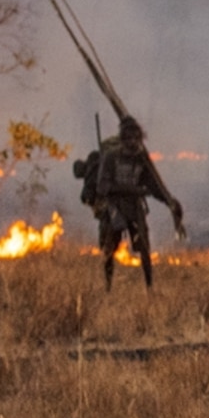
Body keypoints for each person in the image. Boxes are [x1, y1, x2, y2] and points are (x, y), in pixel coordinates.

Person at [74, 116, 185, 289]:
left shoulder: (141, 159)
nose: (133, 142)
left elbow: (154, 186)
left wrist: (169, 201)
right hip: (113, 206)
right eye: (130, 138)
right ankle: (107, 287)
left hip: (134, 206)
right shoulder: (111, 158)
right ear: (123, 140)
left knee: (144, 248)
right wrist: (133, 190)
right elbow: (103, 187)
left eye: (136, 138)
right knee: (110, 248)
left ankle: (150, 289)